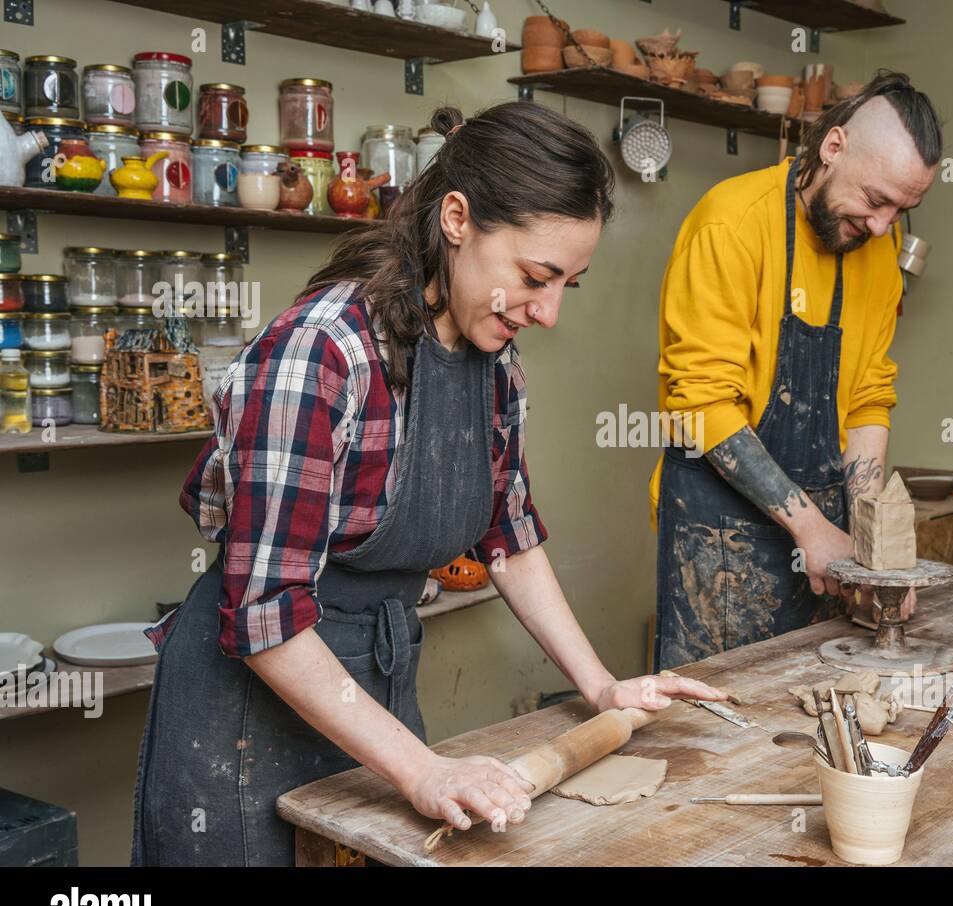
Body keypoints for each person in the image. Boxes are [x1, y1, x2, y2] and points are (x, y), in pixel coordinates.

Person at [132, 101, 726, 866]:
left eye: (567, 287)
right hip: (244, 720)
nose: (546, 312)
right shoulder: (321, 355)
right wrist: (423, 767)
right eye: (536, 277)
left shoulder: (493, 365)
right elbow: (265, 614)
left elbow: (508, 536)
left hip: (375, 687)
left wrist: (604, 686)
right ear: (456, 218)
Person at [652, 71, 943, 670]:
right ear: (832, 148)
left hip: (824, 542)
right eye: (875, 199)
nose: (884, 227)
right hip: (720, 537)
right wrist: (813, 533)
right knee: (716, 733)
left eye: (903, 209)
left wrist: (866, 544)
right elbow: (700, 404)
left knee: (813, 719)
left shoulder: (879, 250)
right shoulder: (730, 223)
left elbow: (867, 397)